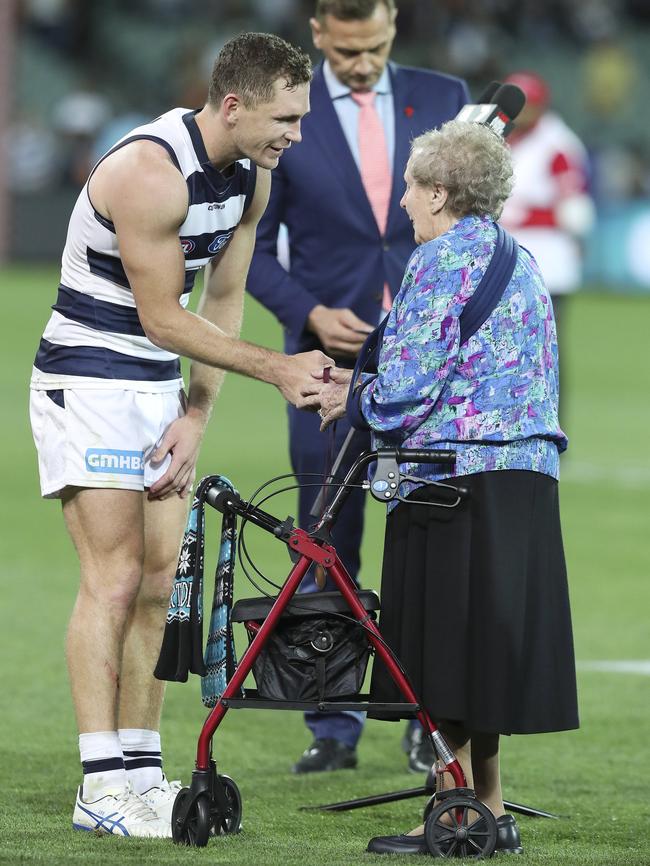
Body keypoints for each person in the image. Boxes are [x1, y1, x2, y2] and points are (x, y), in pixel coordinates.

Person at [28, 33, 326, 838]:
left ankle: (142, 772)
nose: (295, 133)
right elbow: (163, 315)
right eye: (285, 117)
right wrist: (279, 369)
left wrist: (195, 415)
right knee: (115, 580)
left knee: (164, 586)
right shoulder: (149, 172)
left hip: (157, 386)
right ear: (233, 105)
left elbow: (222, 299)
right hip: (88, 379)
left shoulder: (252, 180)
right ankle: (99, 787)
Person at [299, 119, 579, 855]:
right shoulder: (518, 257)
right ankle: (486, 803)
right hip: (524, 477)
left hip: (451, 480)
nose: (403, 207)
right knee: (486, 653)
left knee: (445, 654)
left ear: (442, 191)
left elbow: (407, 390)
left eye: (414, 190)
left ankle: (447, 813)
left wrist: (347, 400)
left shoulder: (436, 261)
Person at [247, 0, 470, 775]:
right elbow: (250, 248)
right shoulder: (285, 113)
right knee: (326, 541)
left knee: (435, 544)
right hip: (324, 367)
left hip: (433, 366)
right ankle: (332, 725)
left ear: (394, 24)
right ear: (316, 35)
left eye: (374, 46)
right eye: (346, 52)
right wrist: (307, 311)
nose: (362, 63)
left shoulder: (445, 98)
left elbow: (474, 226)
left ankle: (428, 714)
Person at [499, 71, 595, 423]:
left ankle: (551, 424)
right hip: (508, 260)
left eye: (528, 105)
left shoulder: (558, 144)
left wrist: (521, 212)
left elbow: (577, 214)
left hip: (549, 262)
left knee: (545, 350)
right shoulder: (500, 134)